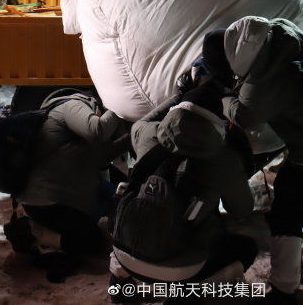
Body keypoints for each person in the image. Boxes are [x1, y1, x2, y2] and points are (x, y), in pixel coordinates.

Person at [108, 36, 256, 303]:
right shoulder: (224, 159)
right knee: (244, 248)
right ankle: (186, 293)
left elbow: (143, 121)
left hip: (124, 252)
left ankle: (124, 287)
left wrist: (180, 94)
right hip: (177, 265)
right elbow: (242, 210)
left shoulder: (148, 136)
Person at [221, 17, 303, 299]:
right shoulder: (284, 32)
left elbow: (245, 116)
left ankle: (283, 288)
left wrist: (225, 101)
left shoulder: (266, 80)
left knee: (285, 217)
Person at [3, 89, 131, 281]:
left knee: (118, 196)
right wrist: (120, 103)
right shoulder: (71, 106)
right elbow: (98, 131)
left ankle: (58, 227)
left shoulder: (64, 124)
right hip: (47, 200)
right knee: (92, 241)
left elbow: (101, 156)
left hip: (59, 192)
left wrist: (133, 135)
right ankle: (36, 232)